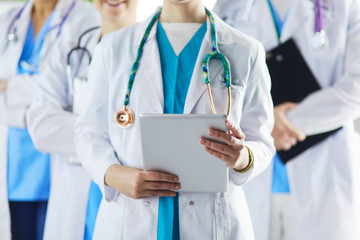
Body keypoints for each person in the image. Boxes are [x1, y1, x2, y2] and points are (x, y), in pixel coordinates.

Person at [74, 0, 275, 239]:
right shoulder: (113, 47)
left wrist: (243, 157)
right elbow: (89, 132)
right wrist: (113, 174)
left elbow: (262, 141)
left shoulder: (246, 50)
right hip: (132, 216)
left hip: (212, 220)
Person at [214, 0, 360, 239]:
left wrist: (275, 123)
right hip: (252, 174)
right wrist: (266, 124)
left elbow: (356, 88)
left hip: (324, 173)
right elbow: (214, 81)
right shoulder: (230, 5)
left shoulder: (347, 4)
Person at [26, 0, 137, 239]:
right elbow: (41, 127)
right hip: (74, 199)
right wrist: (116, 133)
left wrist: (89, 131)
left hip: (129, 200)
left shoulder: (155, 55)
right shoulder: (70, 49)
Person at [0, 0, 99, 239]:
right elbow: (46, 87)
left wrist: (10, 88)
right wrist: (34, 92)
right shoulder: (8, 18)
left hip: (57, 155)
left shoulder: (86, 16)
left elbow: (66, 87)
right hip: (15, 161)